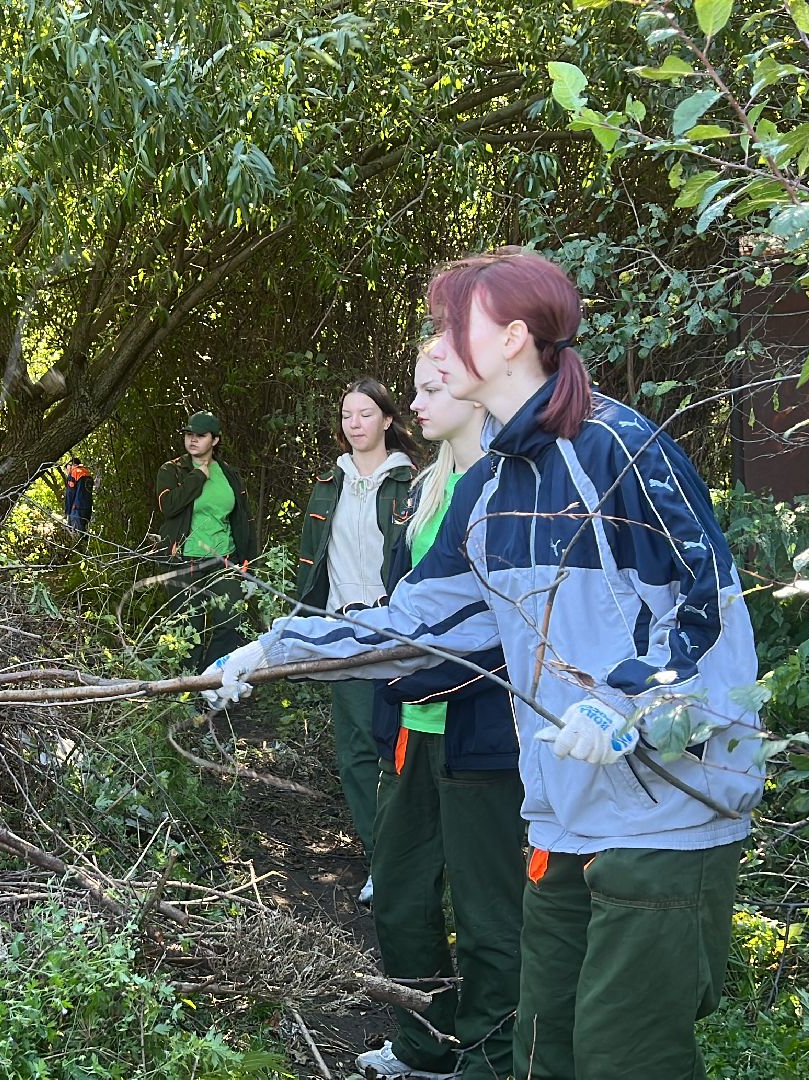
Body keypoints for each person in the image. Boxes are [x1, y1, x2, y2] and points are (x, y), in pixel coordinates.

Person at [203, 247, 764, 1080]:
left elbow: (706, 607)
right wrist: (276, 649)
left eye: (447, 326)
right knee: (546, 1049)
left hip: (665, 811)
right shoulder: (492, 486)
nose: (432, 345)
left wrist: (627, 700)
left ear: (511, 339)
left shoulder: (618, 449)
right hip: (563, 813)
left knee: (627, 1058)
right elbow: (422, 626)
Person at [356, 341, 523, 1080]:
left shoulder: (508, 486)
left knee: (489, 915)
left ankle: (487, 1059)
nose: (415, 404)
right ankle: (424, 1043)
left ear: (479, 391)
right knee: (397, 893)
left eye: (432, 388)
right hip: (411, 733)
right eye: (415, 390)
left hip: (480, 736)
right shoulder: (426, 490)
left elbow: (501, 627)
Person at [292, 378, 419, 904]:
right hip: (342, 630)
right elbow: (311, 565)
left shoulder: (413, 484)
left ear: (388, 420)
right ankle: (380, 861)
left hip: (397, 629)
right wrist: (304, 628)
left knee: (401, 750)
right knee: (355, 754)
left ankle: (413, 860)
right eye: (347, 415)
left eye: (366, 414)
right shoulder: (329, 484)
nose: (355, 424)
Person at [154, 411, 257, 670]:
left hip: (224, 559)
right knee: (189, 629)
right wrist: (198, 476)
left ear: (215, 440)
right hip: (183, 560)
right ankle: (186, 693)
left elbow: (244, 519)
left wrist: (247, 562)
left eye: (201, 436)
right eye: (189, 434)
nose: (193, 440)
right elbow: (168, 506)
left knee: (231, 622)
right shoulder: (172, 470)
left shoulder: (229, 475)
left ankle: (210, 681)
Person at [64, 457, 95, 535]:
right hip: (87, 508)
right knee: (85, 532)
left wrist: (68, 511)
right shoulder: (87, 472)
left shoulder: (74, 473)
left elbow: (70, 494)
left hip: (77, 509)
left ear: (71, 465)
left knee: (77, 535)